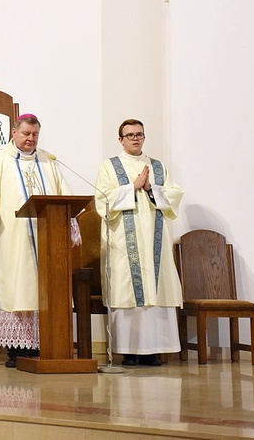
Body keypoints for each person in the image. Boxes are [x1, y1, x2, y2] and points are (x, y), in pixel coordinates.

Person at [0, 114, 77, 368]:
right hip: (11, 240)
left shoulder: (48, 161)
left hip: (47, 241)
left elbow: (64, 195)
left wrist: (69, 225)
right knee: (15, 289)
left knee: (43, 290)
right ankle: (15, 351)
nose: (30, 139)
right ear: (14, 133)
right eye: (26, 134)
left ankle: (43, 345)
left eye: (35, 134)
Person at [94, 119, 183, 366]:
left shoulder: (157, 166)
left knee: (156, 287)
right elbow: (101, 200)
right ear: (120, 139)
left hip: (155, 237)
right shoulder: (109, 166)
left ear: (144, 137)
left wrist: (151, 188)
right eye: (130, 135)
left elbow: (174, 195)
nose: (135, 138)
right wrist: (131, 188)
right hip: (124, 240)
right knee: (127, 289)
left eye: (139, 134)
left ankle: (154, 350)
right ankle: (129, 351)